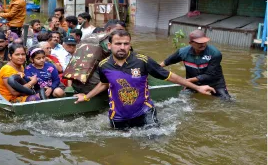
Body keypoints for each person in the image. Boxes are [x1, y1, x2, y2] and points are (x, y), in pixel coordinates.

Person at [74, 30, 215, 130]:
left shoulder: (142, 61)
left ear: (130, 45)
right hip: (118, 116)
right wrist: (86, 97)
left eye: (126, 43)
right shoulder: (104, 65)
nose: (122, 47)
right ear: (109, 46)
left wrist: (197, 88)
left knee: (155, 142)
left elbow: (169, 75)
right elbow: (104, 84)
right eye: (118, 44)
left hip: (144, 112)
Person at [160, 30, 231, 100]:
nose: (202, 44)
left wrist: (186, 81)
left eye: (204, 42)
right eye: (199, 43)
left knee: (226, 101)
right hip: (193, 83)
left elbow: (209, 75)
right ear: (191, 43)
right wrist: (154, 69)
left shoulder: (214, 53)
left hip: (215, 83)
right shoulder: (183, 52)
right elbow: (167, 61)